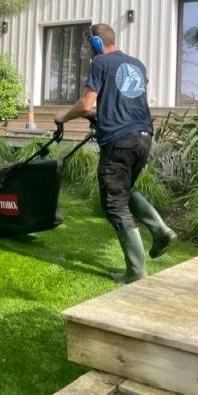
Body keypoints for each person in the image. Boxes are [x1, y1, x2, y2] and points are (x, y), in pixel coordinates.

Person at [54, 23, 176, 284]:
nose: (87, 50)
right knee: (122, 191)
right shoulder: (137, 65)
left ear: (97, 43)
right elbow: (121, 105)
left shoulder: (100, 63)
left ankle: (136, 271)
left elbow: (87, 103)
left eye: (88, 45)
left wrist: (63, 116)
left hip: (120, 141)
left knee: (114, 203)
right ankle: (160, 229)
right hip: (144, 137)